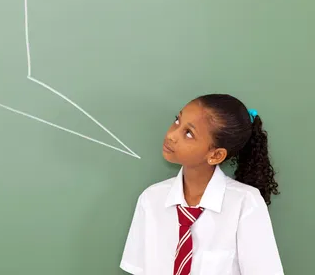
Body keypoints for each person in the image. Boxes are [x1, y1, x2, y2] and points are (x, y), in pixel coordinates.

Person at [120, 93, 284, 274]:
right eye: (177, 121)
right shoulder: (151, 199)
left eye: (188, 133)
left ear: (215, 155)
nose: (172, 135)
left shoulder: (245, 203)